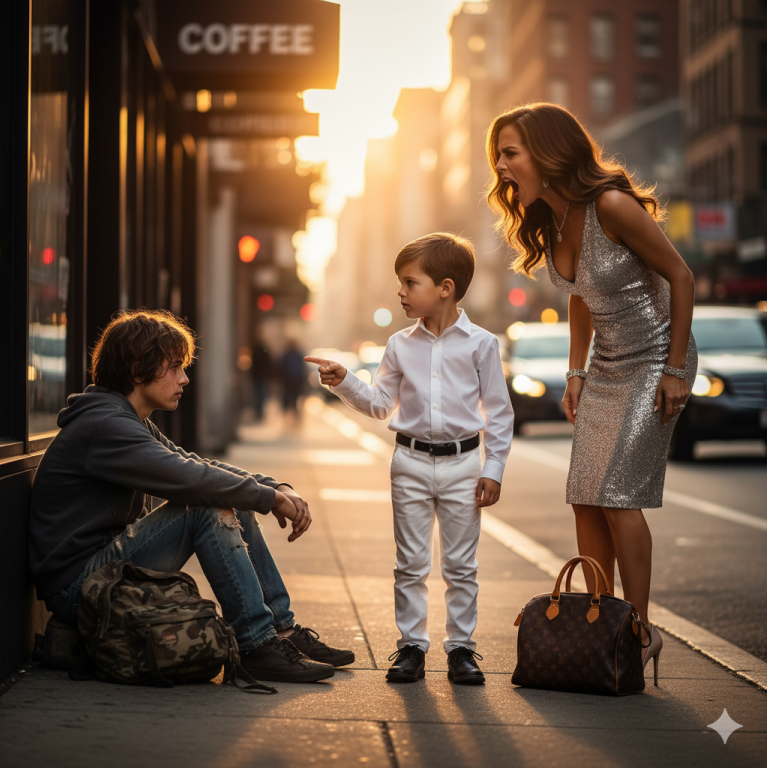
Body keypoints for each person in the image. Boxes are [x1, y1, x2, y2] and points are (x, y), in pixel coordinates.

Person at [487, 103, 697, 683]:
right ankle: (601, 622)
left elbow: (681, 277)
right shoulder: (553, 220)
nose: (500, 167)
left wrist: (675, 368)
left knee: (617, 494)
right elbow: (580, 295)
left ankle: (638, 633)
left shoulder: (610, 205)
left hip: (655, 357)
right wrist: (575, 371)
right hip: (606, 364)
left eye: (510, 153)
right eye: (498, 155)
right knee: (584, 494)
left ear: (548, 152)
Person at [29, 309, 355, 683]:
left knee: (227, 495)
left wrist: (272, 487)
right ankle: (255, 644)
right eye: (174, 368)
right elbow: (190, 478)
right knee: (206, 504)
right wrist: (268, 498)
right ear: (137, 371)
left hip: (106, 570)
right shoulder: (105, 426)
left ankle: (280, 630)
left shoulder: (125, 419)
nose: (184, 378)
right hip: (80, 589)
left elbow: (194, 464)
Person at [306, 233, 514, 685]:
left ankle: (461, 649)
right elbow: (381, 404)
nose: (400, 291)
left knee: (461, 565)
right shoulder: (399, 344)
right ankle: (412, 647)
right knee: (410, 564)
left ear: (445, 288)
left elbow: (498, 412)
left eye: (409, 282)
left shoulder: (481, 344)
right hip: (410, 463)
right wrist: (345, 381)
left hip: (464, 465)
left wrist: (493, 469)